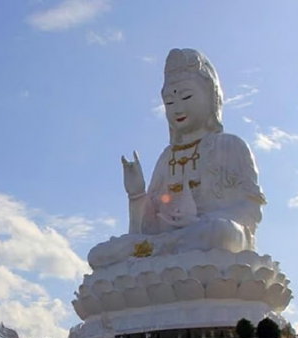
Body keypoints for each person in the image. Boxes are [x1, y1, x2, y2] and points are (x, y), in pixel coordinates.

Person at [88, 48, 266, 270]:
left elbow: (250, 210)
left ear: (211, 97)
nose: (178, 108)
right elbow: (146, 229)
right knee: (97, 255)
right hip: (171, 242)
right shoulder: (166, 157)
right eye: (169, 102)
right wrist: (136, 195)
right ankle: (164, 250)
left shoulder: (230, 145)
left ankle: (160, 252)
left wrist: (201, 222)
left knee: (221, 234)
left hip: (210, 235)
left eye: (187, 97)